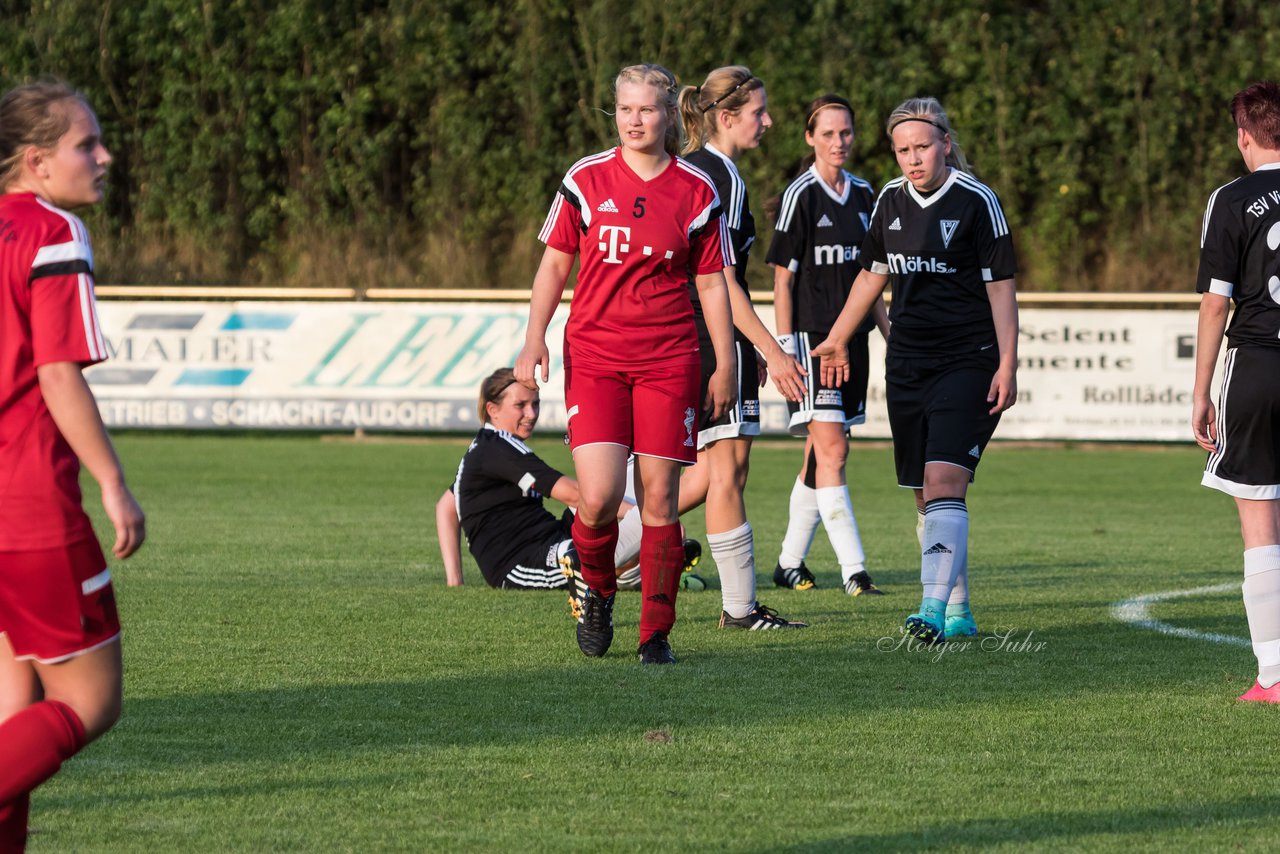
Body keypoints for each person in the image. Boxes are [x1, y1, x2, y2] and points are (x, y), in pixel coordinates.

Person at [516, 63, 736, 665]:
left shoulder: (696, 189)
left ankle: (655, 635)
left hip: (670, 357)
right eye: (625, 110)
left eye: (647, 110)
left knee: (660, 498)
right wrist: (533, 339)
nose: (635, 120)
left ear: (670, 115)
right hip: (595, 356)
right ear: (614, 113)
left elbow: (714, 284)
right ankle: (596, 588)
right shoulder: (586, 179)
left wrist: (724, 366)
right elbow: (555, 266)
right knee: (599, 497)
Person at [812, 96, 1019, 644]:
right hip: (906, 363)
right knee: (925, 494)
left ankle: (928, 610)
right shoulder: (888, 201)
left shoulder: (978, 202)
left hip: (967, 361)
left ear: (945, 144)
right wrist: (836, 339)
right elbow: (869, 277)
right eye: (902, 149)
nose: (912, 158)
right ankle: (959, 610)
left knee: (944, 479)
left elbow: (1001, 290)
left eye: (922, 146)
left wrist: (1008, 362)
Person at [0, 81, 146, 851]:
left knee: (16, 718)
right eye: (86, 144)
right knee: (90, 703)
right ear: (36, 161)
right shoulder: (54, 231)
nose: (104, 156)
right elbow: (58, 375)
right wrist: (113, 483)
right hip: (27, 507)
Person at [674, 66, 807, 631]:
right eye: (759, 112)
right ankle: (740, 609)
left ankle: (594, 543)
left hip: (709, 335)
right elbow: (723, 281)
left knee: (717, 471)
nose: (769, 121)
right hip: (707, 337)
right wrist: (769, 352)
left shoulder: (702, 169)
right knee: (724, 470)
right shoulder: (717, 176)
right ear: (726, 118)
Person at [767, 94, 890, 598]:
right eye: (828, 134)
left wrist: (890, 335)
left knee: (825, 455)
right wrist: (783, 347)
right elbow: (781, 282)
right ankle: (855, 572)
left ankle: (788, 562)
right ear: (810, 138)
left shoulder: (866, 195)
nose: (838, 142)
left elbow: (875, 277)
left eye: (846, 133)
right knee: (834, 451)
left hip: (854, 345)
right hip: (813, 345)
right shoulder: (802, 194)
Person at [435, 367, 701, 594]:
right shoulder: (497, 447)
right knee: (600, 523)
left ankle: (647, 563)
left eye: (535, 404)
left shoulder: (486, 447)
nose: (531, 414)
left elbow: (447, 505)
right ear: (492, 409)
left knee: (621, 480)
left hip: (554, 537)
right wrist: (642, 517)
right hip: (523, 562)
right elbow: (574, 494)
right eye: (520, 406)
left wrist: (454, 580)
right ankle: (652, 563)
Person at [1191, 80, 1280, 703]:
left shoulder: (1230, 198)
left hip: (1257, 367)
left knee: (1260, 521)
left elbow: (1215, 302)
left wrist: (1201, 393)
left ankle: (1274, 676)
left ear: (1243, 135)